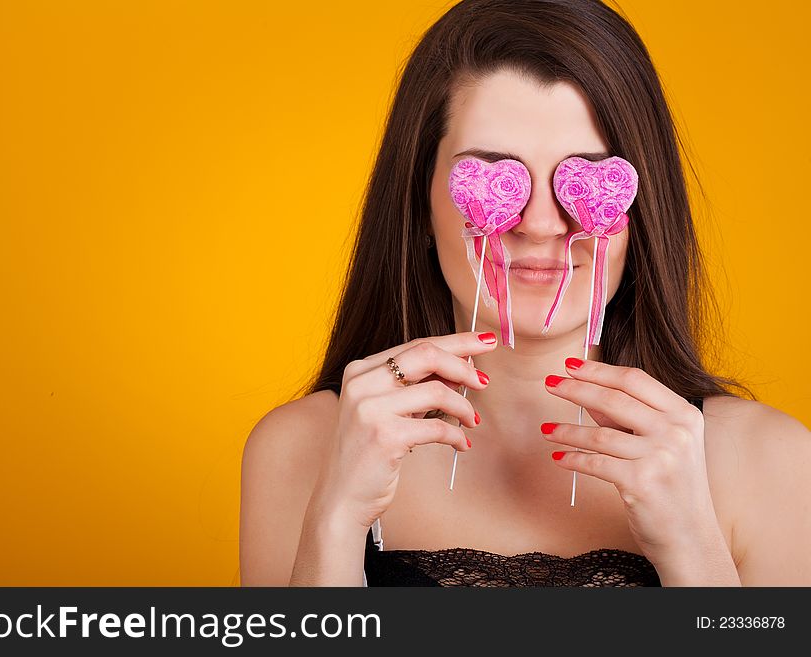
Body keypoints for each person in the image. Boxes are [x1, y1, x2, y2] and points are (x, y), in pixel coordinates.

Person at [239, 0, 810, 586]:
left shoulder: (772, 463)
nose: (541, 223)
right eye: (490, 174)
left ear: (641, 209)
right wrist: (334, 522)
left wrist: (695, 549)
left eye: (583, 177)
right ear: (419, 204)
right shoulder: (303, 450)